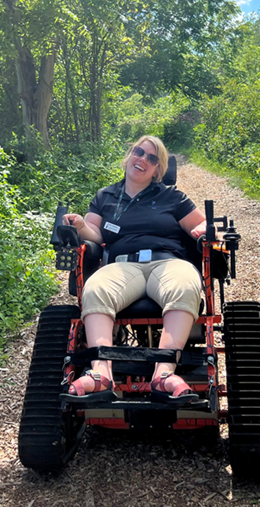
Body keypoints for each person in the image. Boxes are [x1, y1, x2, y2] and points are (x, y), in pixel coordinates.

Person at [64, 135, 207, 404]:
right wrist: (80, 225)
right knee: (95, 288)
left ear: (158, 170)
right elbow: (94, 233)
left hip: (166, 261)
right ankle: (100, 374)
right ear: (130, 154)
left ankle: (164, 374)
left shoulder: (171, 196)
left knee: (186, 285)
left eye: (152, 158)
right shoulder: (105, 196)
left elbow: (202, 226)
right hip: (123, 265)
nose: (142, 159)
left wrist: (204, 231)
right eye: (139, 152)